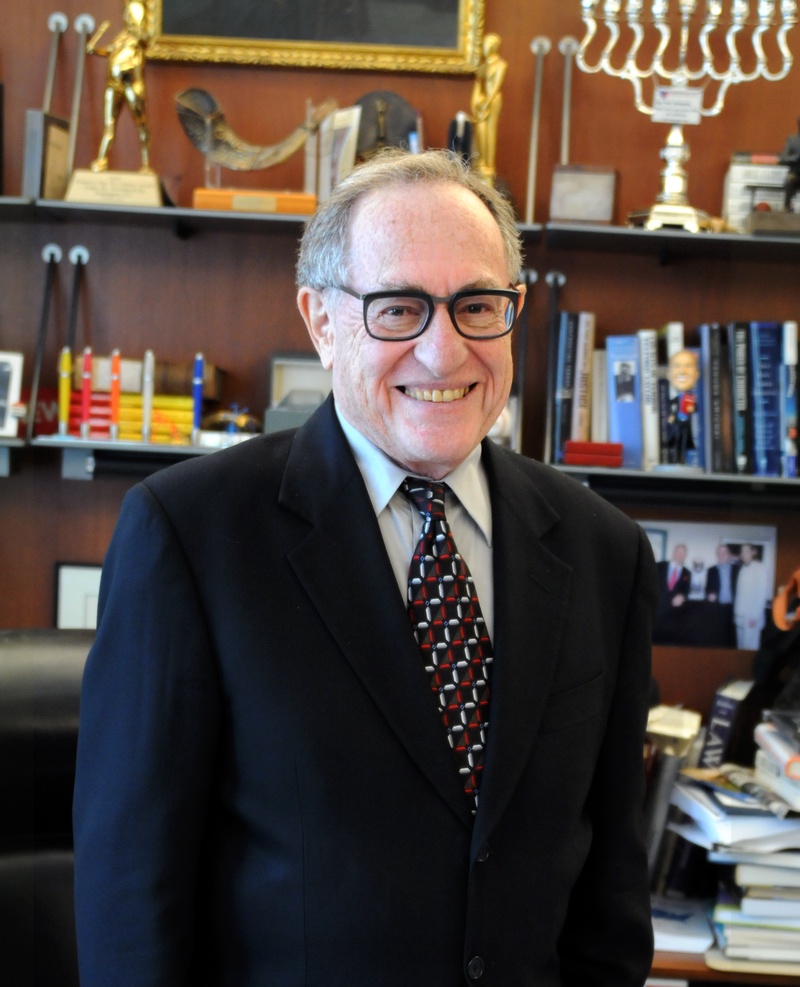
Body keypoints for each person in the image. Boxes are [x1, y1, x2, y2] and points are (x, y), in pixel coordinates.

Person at [73, 148, 657, 986]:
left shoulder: (605, 551)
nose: (443, 352)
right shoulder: (190, 534)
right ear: (321, 320)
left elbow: (611, 893)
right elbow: (129, 898)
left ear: (514, 310)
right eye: (398, 309)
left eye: (477, 306)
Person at [86, 0, 153, 173]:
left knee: (141, 124)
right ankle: (101, 160)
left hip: (132, 84)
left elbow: (144, 36)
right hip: (113, 84)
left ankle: (146, 164)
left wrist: (137, 12)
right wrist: (94, 48)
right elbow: (108, 51)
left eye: (130, 15)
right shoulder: (121, 37)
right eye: (127, 14)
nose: (127, 18)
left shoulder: (139, 38)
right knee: (109, 124)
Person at [470, 33, 507, 186]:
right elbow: (478, 84)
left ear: (493, 47)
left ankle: (489, 166)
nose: (484, 49)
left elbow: (496, 87)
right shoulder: (483, 66)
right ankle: (481, 162)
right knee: (480, 130)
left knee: (491, 131)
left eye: (487, 45)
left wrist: (486, 103)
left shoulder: (501, 65)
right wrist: (476, 102)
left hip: (493, 101)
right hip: (481, 102)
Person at [664, 349, 699, 465]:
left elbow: (696, 408)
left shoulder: (690, 397)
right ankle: (676, 458)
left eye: (688, 366)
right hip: (678, 422)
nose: (682, 371)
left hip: (686, 423)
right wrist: (672, 416)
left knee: (685, 441)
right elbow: (671, 404)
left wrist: (692, 409)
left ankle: (682, 459)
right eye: (677, 366)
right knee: (677, 440)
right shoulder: (677, 397)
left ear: (696, 374)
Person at [735, 542, 769, 650]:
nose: (743, 554)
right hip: (740, 615)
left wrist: (754, 616)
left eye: (746, 551)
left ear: (753, 552)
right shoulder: (743, 568)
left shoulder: (760, 568)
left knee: (751, 647)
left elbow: (761, 594)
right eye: (742, 551)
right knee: (741, 647)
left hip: (752, 617)